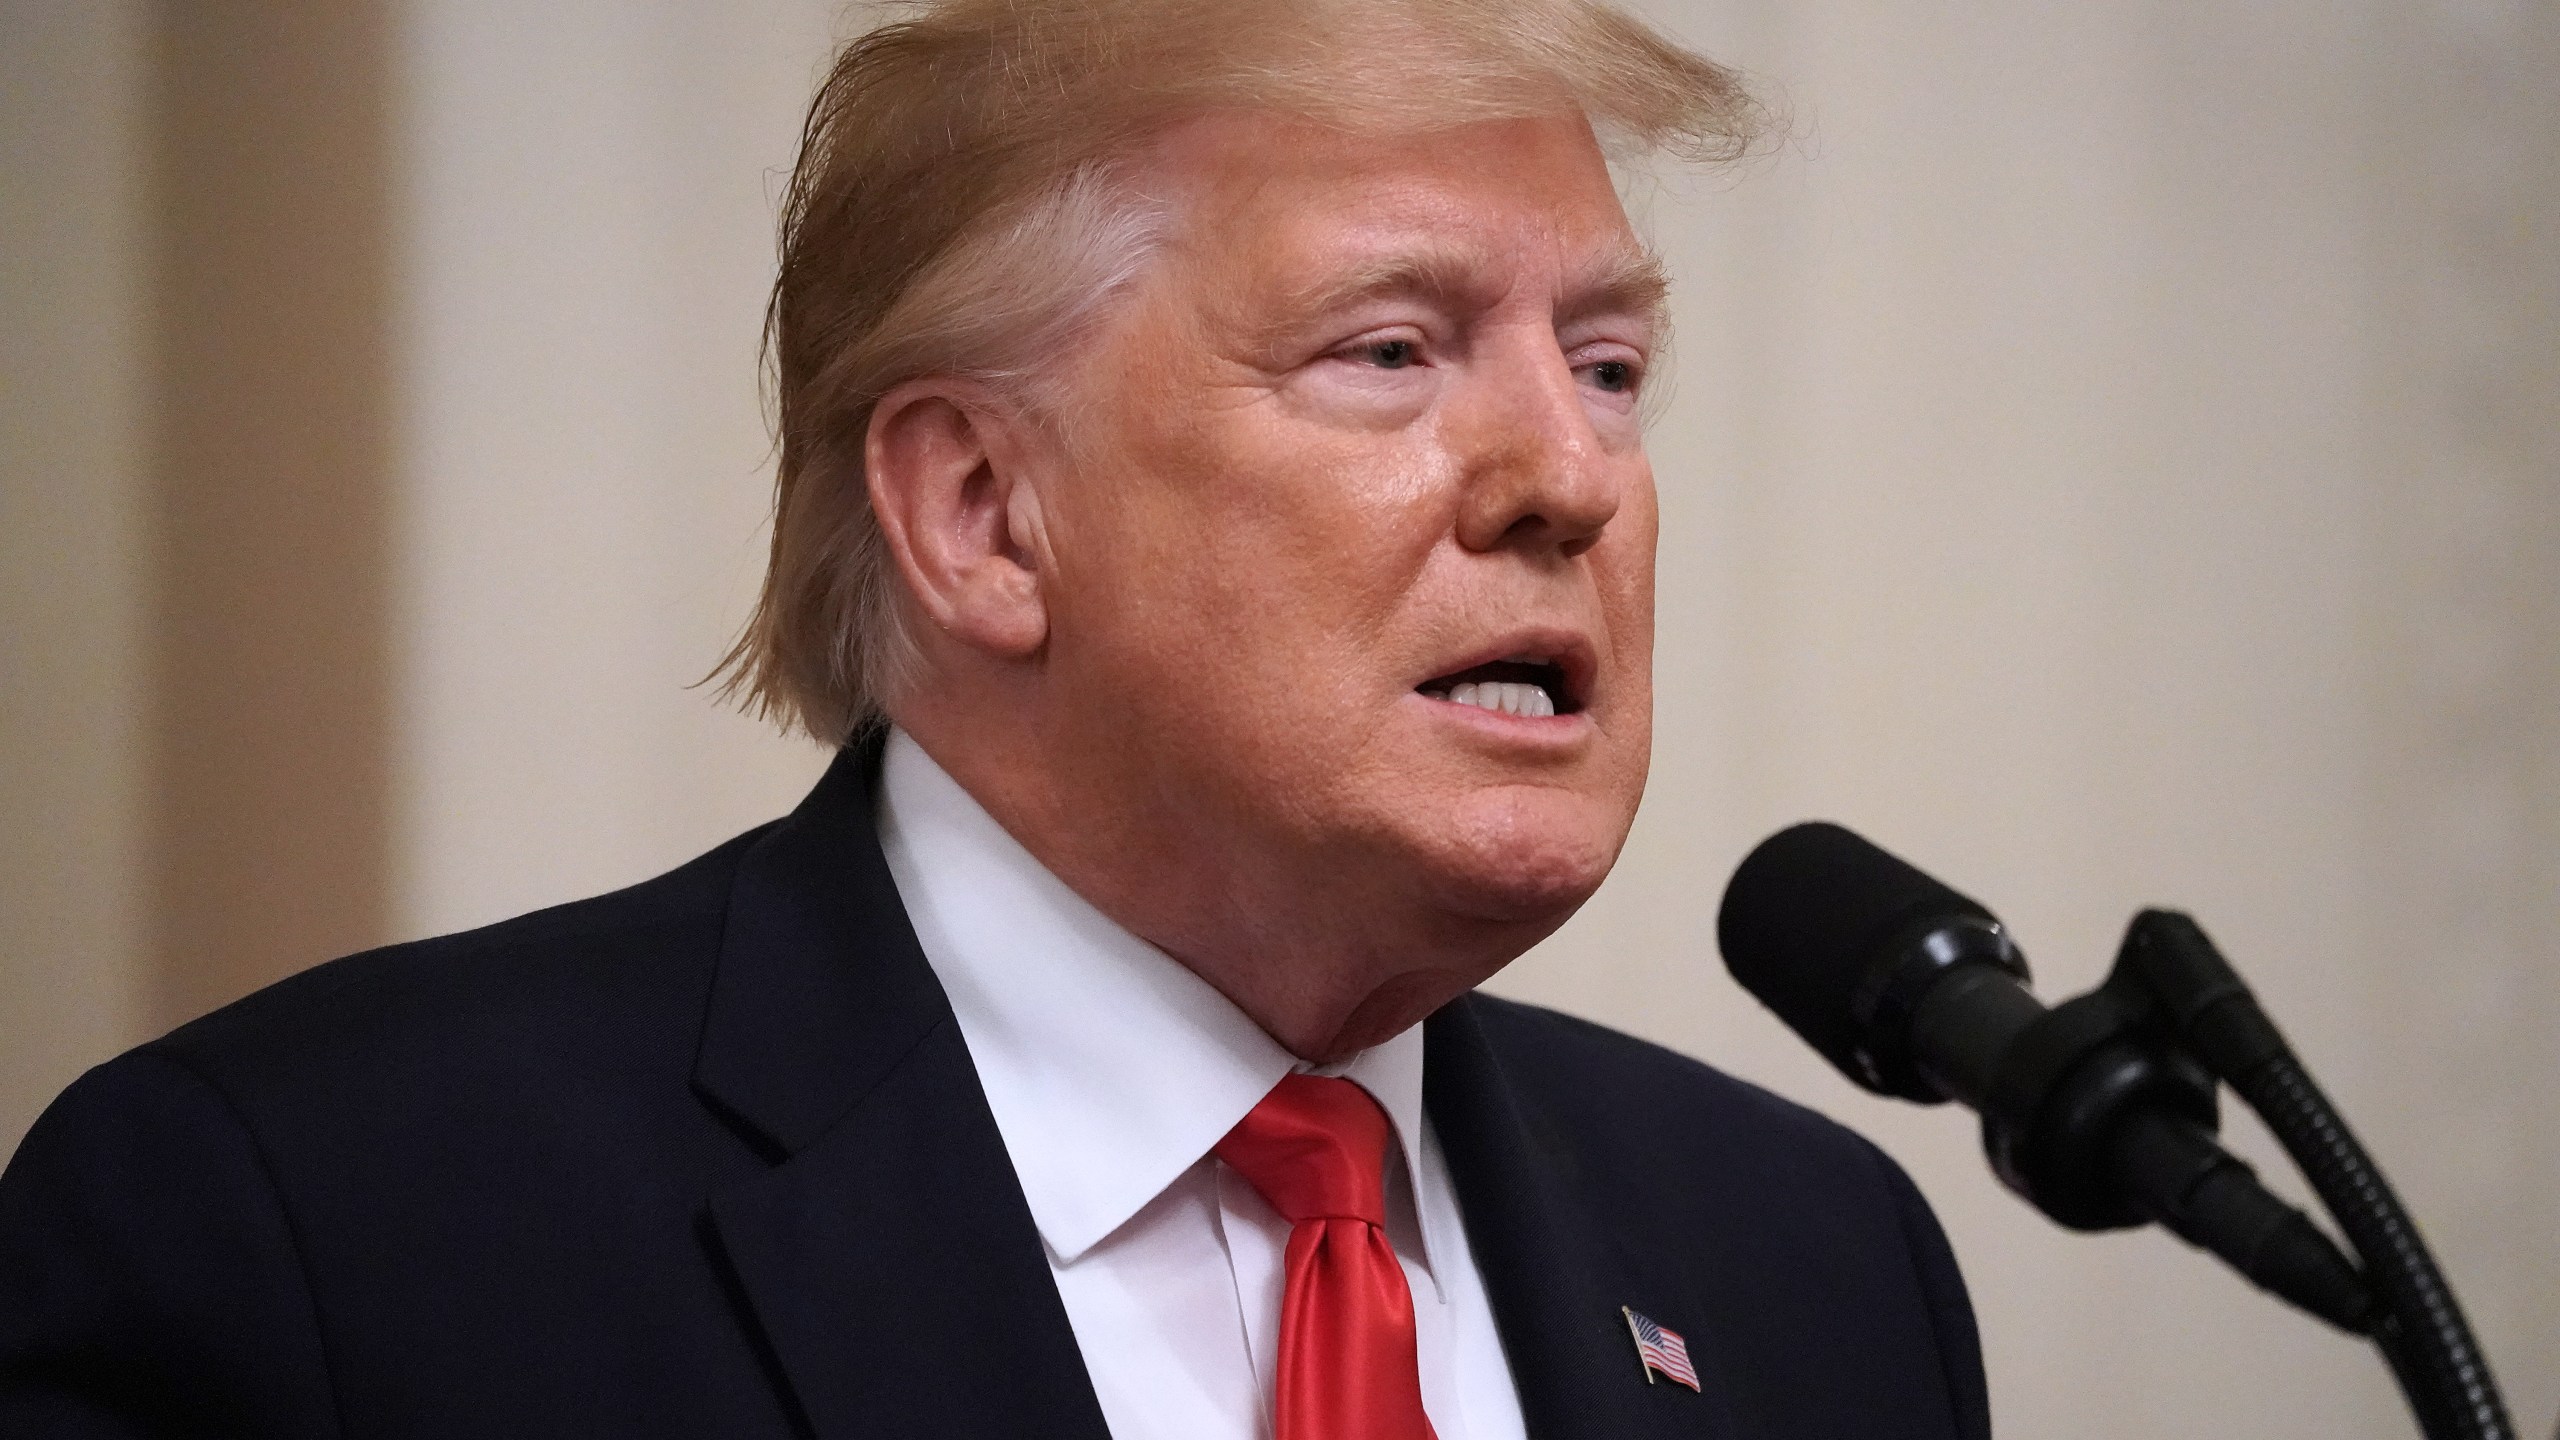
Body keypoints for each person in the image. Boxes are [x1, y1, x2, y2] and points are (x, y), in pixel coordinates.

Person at [0, 1, 1992, 1435]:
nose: (1570, 476)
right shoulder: (323, 1232)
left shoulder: (1812, 1267)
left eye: (1610, 362)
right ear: (981, 515)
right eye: (1390, 350)